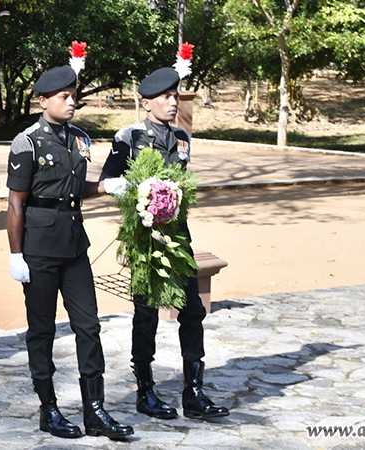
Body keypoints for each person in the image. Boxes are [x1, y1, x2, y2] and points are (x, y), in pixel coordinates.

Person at [6, 64, 132, 440]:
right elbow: (16, 203)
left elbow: (75, 189)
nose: (72, 102)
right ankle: (49, 409)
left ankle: (95, 411)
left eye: (74, 96)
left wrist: (106, 187)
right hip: (40, 248)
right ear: (43, 101)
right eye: (64, 96)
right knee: (42, 330)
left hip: (75, 244)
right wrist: (16, 254)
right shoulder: (26, 142)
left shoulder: (79, 138)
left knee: (88, 326)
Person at [99, 67, 230, 421]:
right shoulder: (129, 137)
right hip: (145, 241)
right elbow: (108, 180)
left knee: (193, 311)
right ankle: (145, 391)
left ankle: (194, 393)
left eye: (175, 96)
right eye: (166, 97)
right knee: (146, 315)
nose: (173, 102)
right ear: (146, 103)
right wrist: (135, 195)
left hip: (178, 238)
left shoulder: (183, 139)